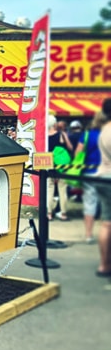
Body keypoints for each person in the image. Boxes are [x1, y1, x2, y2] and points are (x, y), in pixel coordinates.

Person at [75, 109, 106, 244]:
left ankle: (88, 234)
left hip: (89, 174)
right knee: (107, 205)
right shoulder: (107, 134)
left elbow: (78, 153)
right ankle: (106, 233)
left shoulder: (87, 135)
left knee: (89, 204)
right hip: (106, 173)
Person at [95, 98, 111, 277]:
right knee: (108, 223)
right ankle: (106, 264)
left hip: (101, 176)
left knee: (107, 223)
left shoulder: (104, 130)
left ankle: (104, 264)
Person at [47, 115, 72, 221]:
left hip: (48, 165)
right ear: (54, 124)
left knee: (49, 190)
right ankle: (63, 214)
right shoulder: (61, 134)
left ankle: (49, 214)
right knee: (63, 190)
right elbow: (70, 147)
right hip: (62, 167)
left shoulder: (43, 136)